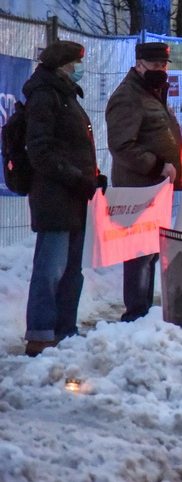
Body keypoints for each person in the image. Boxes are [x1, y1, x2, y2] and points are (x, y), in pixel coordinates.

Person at [22, 41, 103, 356]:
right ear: (63, 65)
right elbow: (40, 150)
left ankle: (65, 330)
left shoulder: (67, 95)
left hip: (75, 195)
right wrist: (75, 178)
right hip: (54, 195)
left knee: (72, 269)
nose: (80, 68)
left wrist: (91, 178)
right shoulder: (45, 96)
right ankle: (41, 333)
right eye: (76, 62)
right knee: (51, 267)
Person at [107, 42, 182, 322]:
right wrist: (158, 165)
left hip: (158, 188)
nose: (161, 70)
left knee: (152, 251)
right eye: (155, 65)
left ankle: (143, 313)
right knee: (139, 253)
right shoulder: (128, 95)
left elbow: (161, 132)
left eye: (164, 65)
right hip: (138, 188)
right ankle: (136, 313)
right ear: (139, 64)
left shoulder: (153, 92)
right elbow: (122, 144)